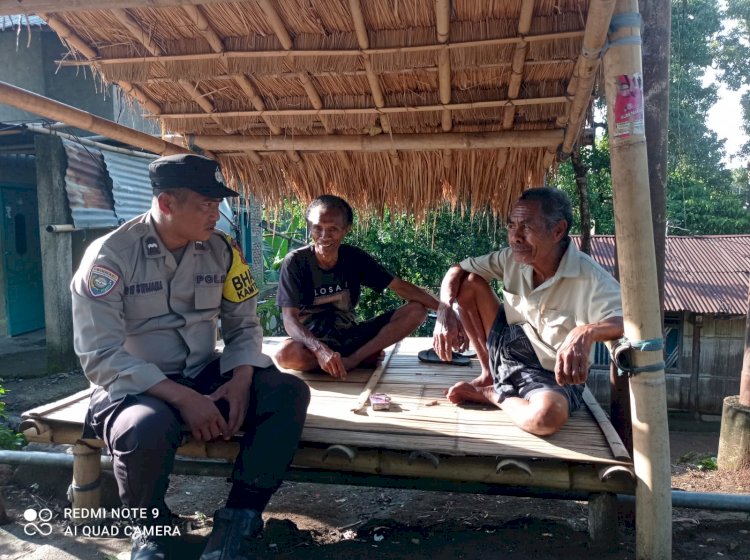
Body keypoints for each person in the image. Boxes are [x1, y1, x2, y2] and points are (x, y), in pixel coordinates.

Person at [71, 153, 311, 560]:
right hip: (135, 385)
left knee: (287, 392)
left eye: (218, 205)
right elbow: (101, 356)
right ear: (166, 203)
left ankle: (240, 518)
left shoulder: (221, 250)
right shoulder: (109, 257)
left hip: (204, 371)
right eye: (205, 205)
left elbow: (244, 324)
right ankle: (150, 530)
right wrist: (184, 399)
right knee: (145, 427)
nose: (216, 214)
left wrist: (240, 378)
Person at [432, 187, 623, 436]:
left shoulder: (591, 278)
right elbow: (457, 269)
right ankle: (489, 374)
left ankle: (493, 394)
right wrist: (445, 310)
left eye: (527, 227)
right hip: (507, 349)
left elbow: (630, 322)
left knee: (545, 417)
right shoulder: (512, 258)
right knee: (469, 283)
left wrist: (586, 331)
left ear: (558, 230)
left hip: (549, 374)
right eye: (512, 226)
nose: (516, 237)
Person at [274, 195, 439, 379]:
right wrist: (320, 350)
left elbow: (399, 286)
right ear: (309, 227)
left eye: (333, 229)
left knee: (416, 310)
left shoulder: (354, 258)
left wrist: (445, 311)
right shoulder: (296, 262)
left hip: (351, 338)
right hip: (312, 344)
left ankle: (353, 360)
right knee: (285, 354)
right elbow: (289, 319)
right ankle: (345, 361)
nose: (324, 236)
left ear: (346, 230)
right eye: (317, 228)